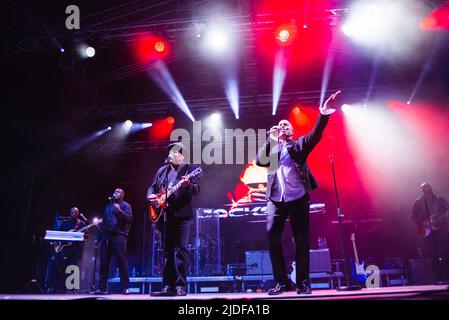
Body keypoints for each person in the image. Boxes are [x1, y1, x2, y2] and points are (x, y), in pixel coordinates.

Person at [256, 91, 341, 295]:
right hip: (276, 199)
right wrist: (271, 139)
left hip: (298, 198)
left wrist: (324, 112)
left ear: (292, 132)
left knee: (301, 240)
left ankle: (303, 283)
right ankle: (282, 282)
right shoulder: (273, 150)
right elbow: (260, 161)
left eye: (287, 125)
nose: (283, 127)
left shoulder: (299, 145)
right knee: (272, 236)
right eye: (280, 125)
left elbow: (316, 134)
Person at [148, 142, 201, 296]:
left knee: (181, 251)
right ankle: (168, 285)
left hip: (182, 216)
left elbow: (196, 189)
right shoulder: (162, 171)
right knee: (166, 252)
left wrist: (187, 184)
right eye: (171, 152)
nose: (173, 154)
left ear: (182, 156)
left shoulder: (190, 169)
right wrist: (150, 196)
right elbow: (152, 187)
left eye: (177, 152)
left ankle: (180, 285)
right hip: (165, 216)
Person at [95, 188, 133, 295]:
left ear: (122, 195)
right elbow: (104, 224)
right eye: (115, 192)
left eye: (118, 192)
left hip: (119, 236)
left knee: (121, 261)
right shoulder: (108, 207)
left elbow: (129, 219)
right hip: (106, 236)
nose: (115, 193)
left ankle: (125, 287)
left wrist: (120, 211)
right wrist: (98, 238)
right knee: (104, 262)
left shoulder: (126, 205)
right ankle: (102, 287)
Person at [412, 182, 449, 282]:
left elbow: (447, 211)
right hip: (428, 233)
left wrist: (441, 218)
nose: (425, 190)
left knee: (445, 253)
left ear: (430, 188)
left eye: (427, 188)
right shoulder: (418, 202)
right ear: (421, 190)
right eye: (423, 189)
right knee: (433, 256)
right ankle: (439, 279)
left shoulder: (439, 199)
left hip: (441, 230)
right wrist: (423, 223)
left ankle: (446, 278)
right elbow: (414, 216)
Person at [45, 207, 86, 293]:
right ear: (70, 213)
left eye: (76, 212)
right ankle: (59, 287)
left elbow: (86, 236)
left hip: (75, 249)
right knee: (61, 267)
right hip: (65, 248)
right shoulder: (65, 223)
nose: (74, 213)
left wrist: (82, 235)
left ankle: (71, 289)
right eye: (72, 212)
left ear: (78, 214)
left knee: (72, 268)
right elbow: (60, 235)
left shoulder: (81, 224)